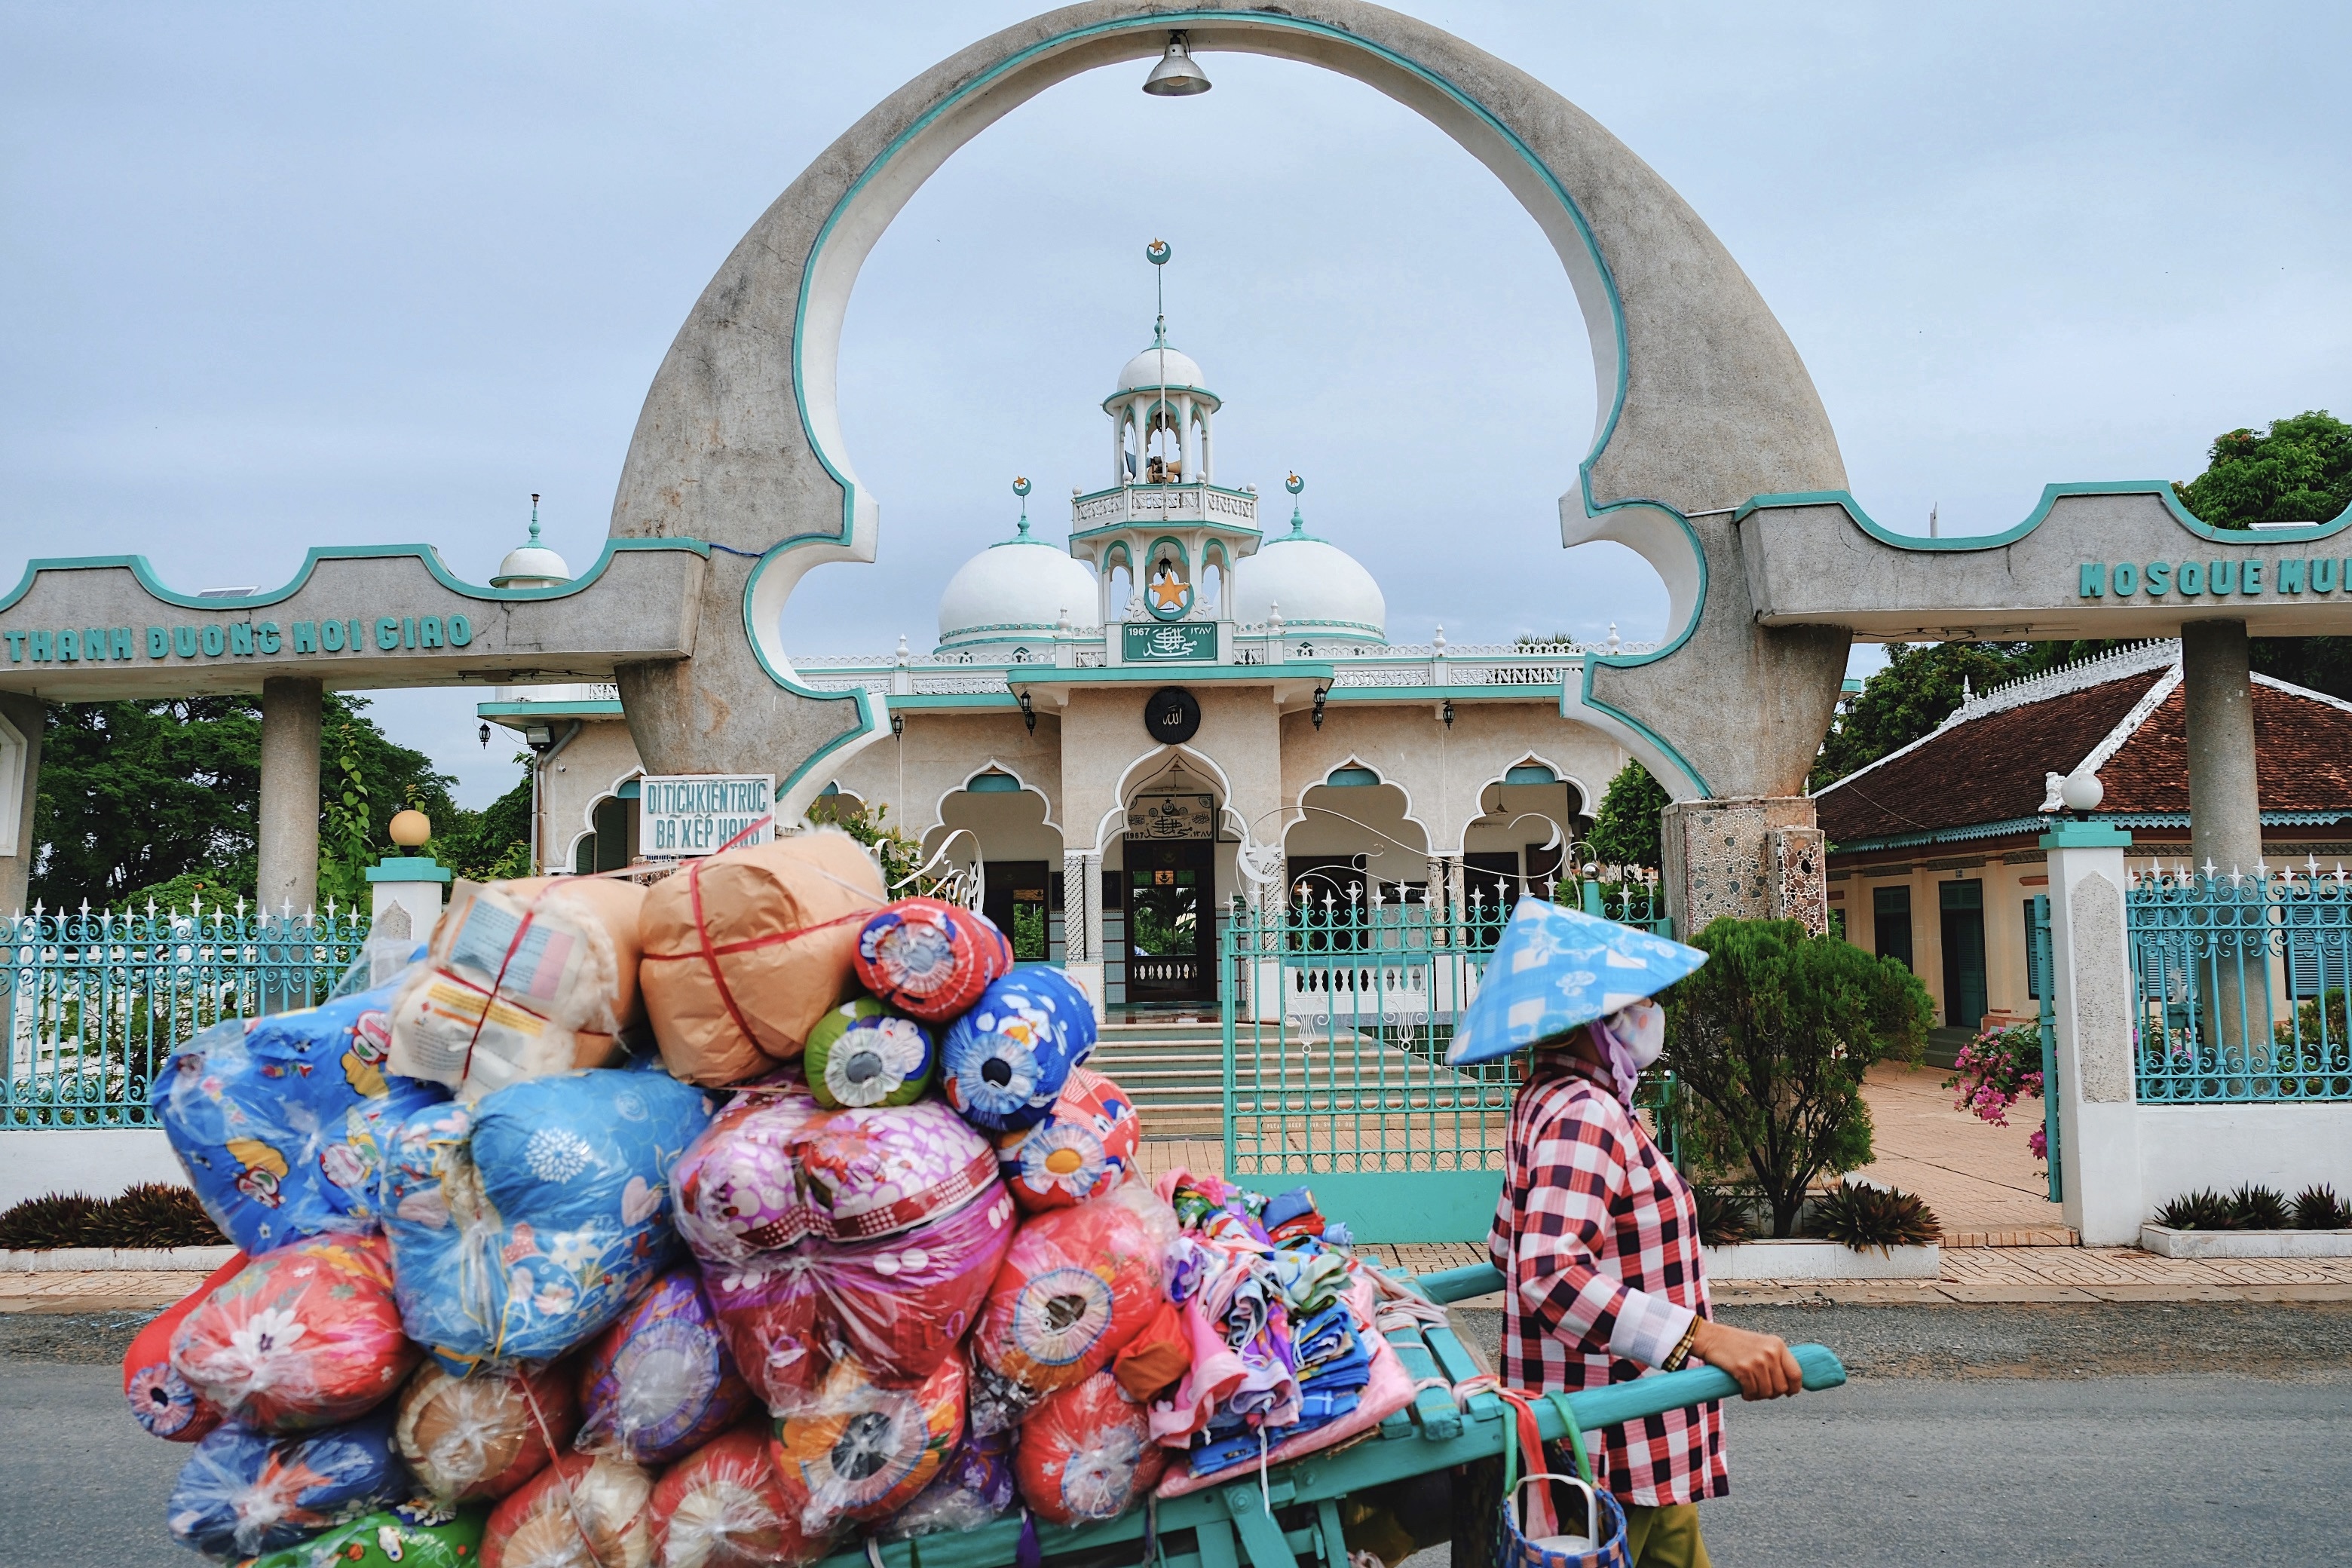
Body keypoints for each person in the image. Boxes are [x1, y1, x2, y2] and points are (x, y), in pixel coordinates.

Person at [1447, 896, 1802, 1568]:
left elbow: (1506, 1245)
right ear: (1591, 1025)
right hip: (1607, 1433)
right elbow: (1548, 1272)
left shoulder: (1548, 1100)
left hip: (1639, 1427)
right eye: (1633, 1004)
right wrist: (1707, 1339)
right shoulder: (1585, 1115)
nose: (1649, 1015)